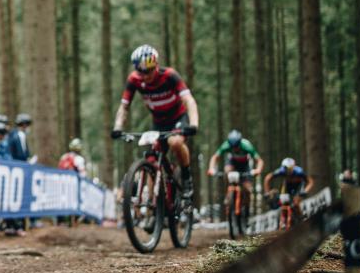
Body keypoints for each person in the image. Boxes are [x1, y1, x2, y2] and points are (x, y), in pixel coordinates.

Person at [110, 44, 199, 199]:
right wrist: (118, 127)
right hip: (159, 122)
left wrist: (193, 124)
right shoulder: (134, 80)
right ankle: (153, 207)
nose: (146, 76)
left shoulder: (170, 75)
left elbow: (189, 100)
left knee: (175, 142)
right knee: (151, 161)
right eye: (141, 72)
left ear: (156, 65)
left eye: (149, 71)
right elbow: (124, 107)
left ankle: (186, 176)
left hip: (178, 119)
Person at [207, 129, 264, 202]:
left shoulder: (246, 145)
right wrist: (211, 168)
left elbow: (259, 160)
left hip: (245, 164)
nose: (235, 149)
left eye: (236, 146)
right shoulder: (226, 145)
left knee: (247, 188)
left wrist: (258, 170)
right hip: (233, 162)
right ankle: (228, 192)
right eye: (232, 147)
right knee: (227, 171)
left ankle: (246, 205)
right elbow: (214, 157)